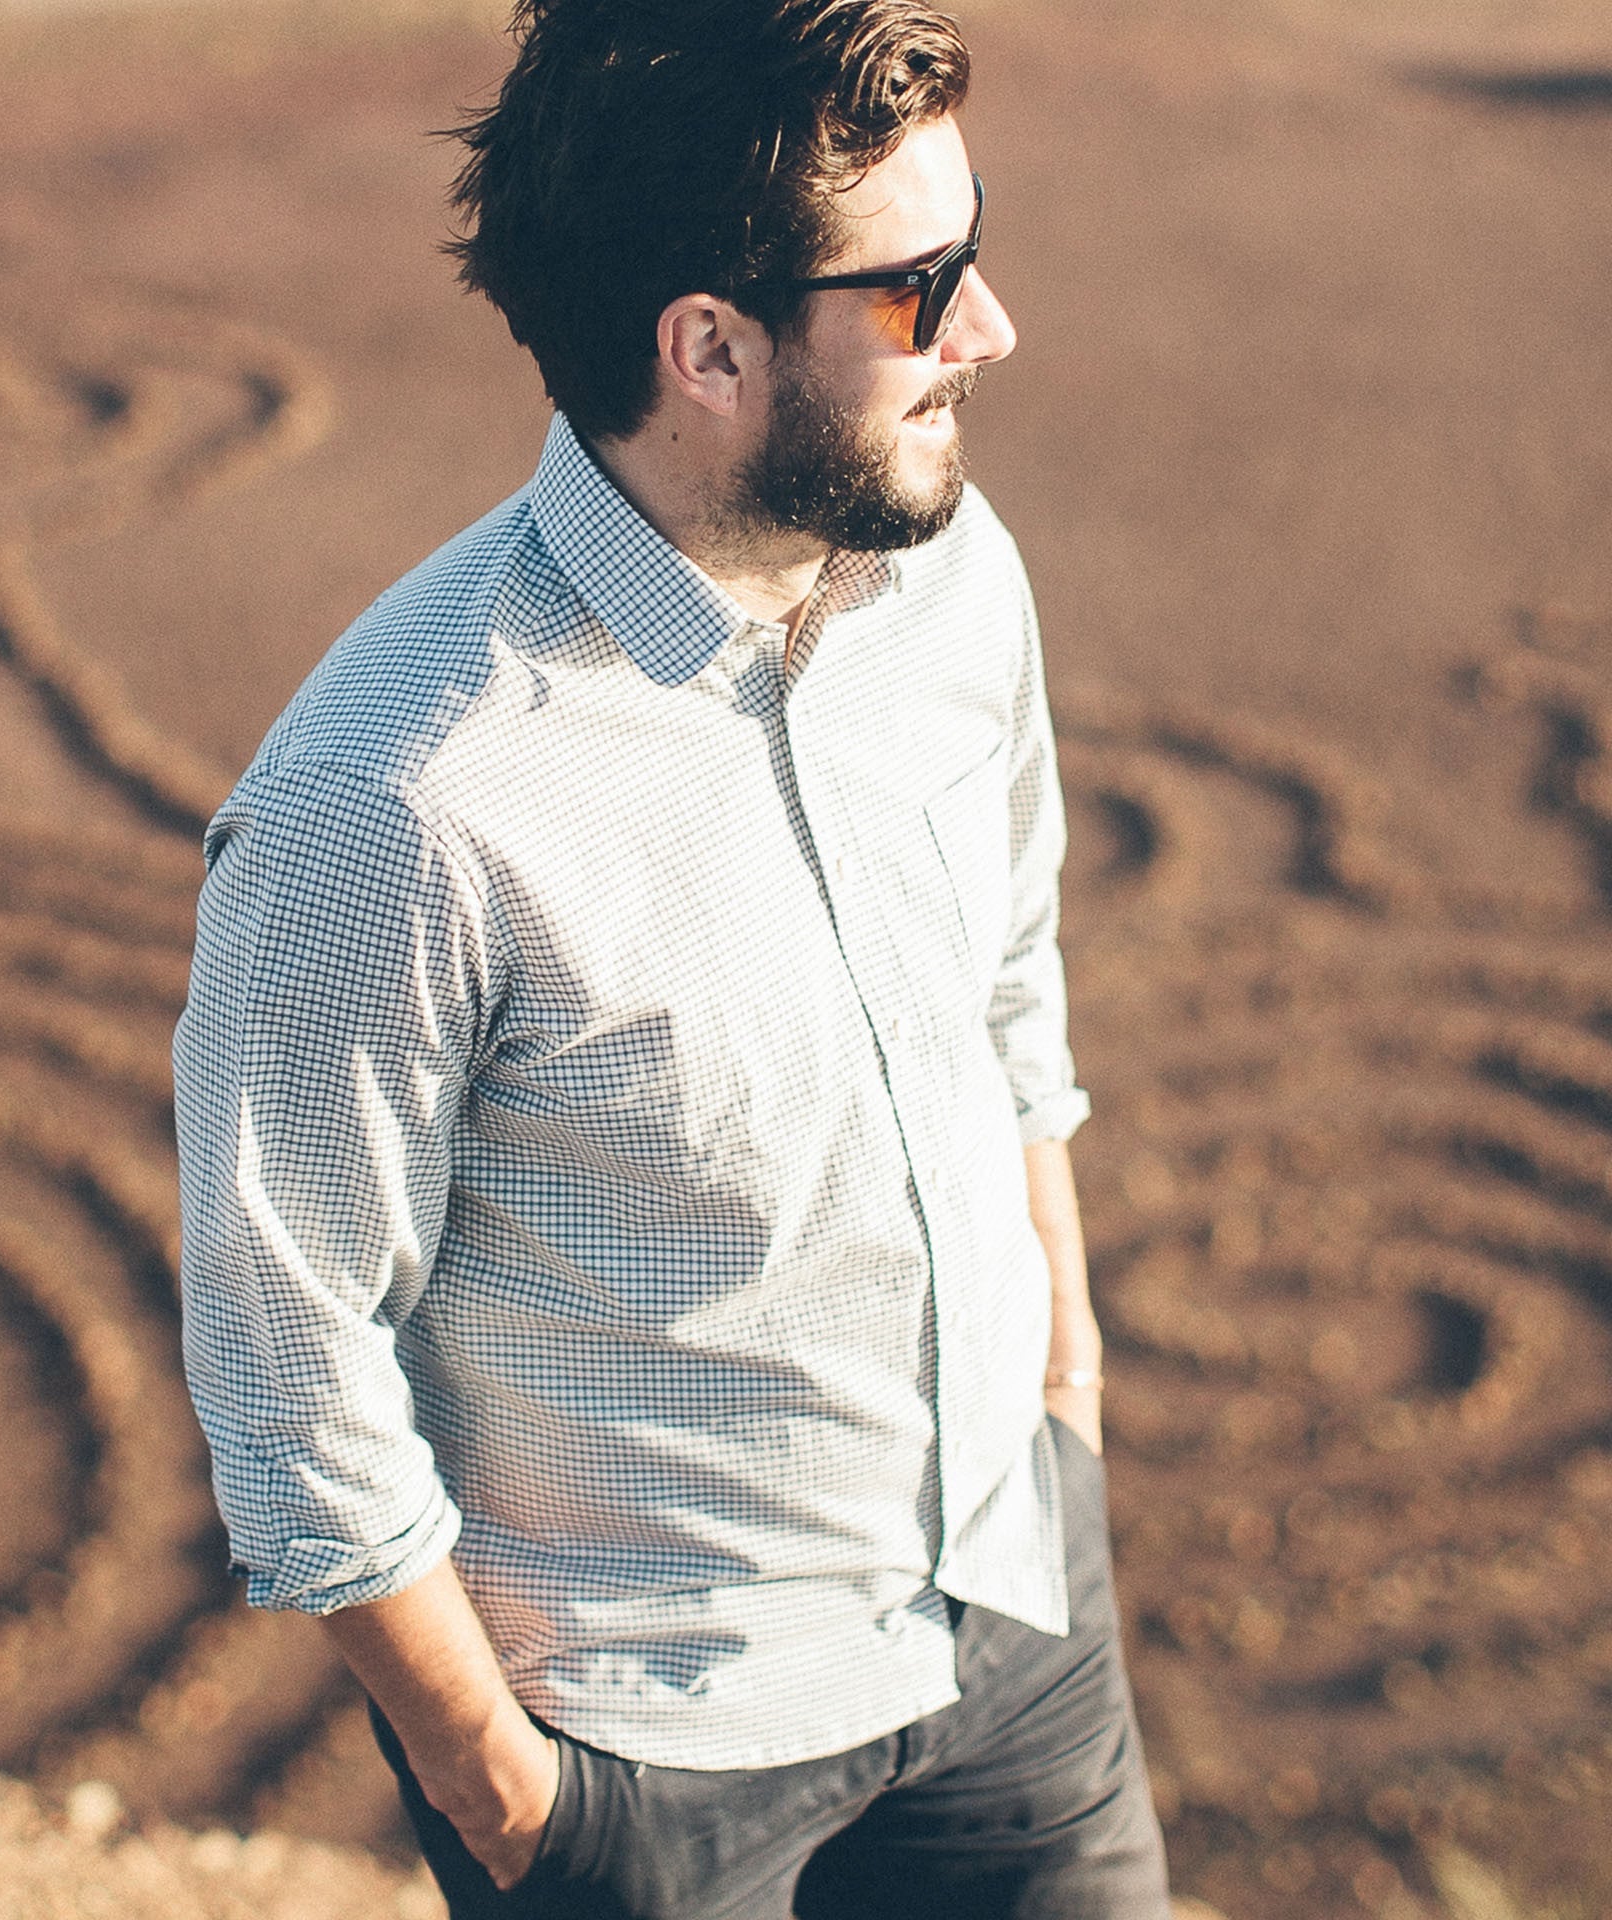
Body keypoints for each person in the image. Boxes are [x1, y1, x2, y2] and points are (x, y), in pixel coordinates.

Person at [172, 2, 1171, 1913]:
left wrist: (1067, 1386)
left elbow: (1006, 995)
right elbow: (288, 1347)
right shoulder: (397, 798)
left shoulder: (954, 577)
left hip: (1013, 1602)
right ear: (705, 347)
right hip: (650, 1761)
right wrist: (515, 1801)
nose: (992, 330)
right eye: (920, 285)